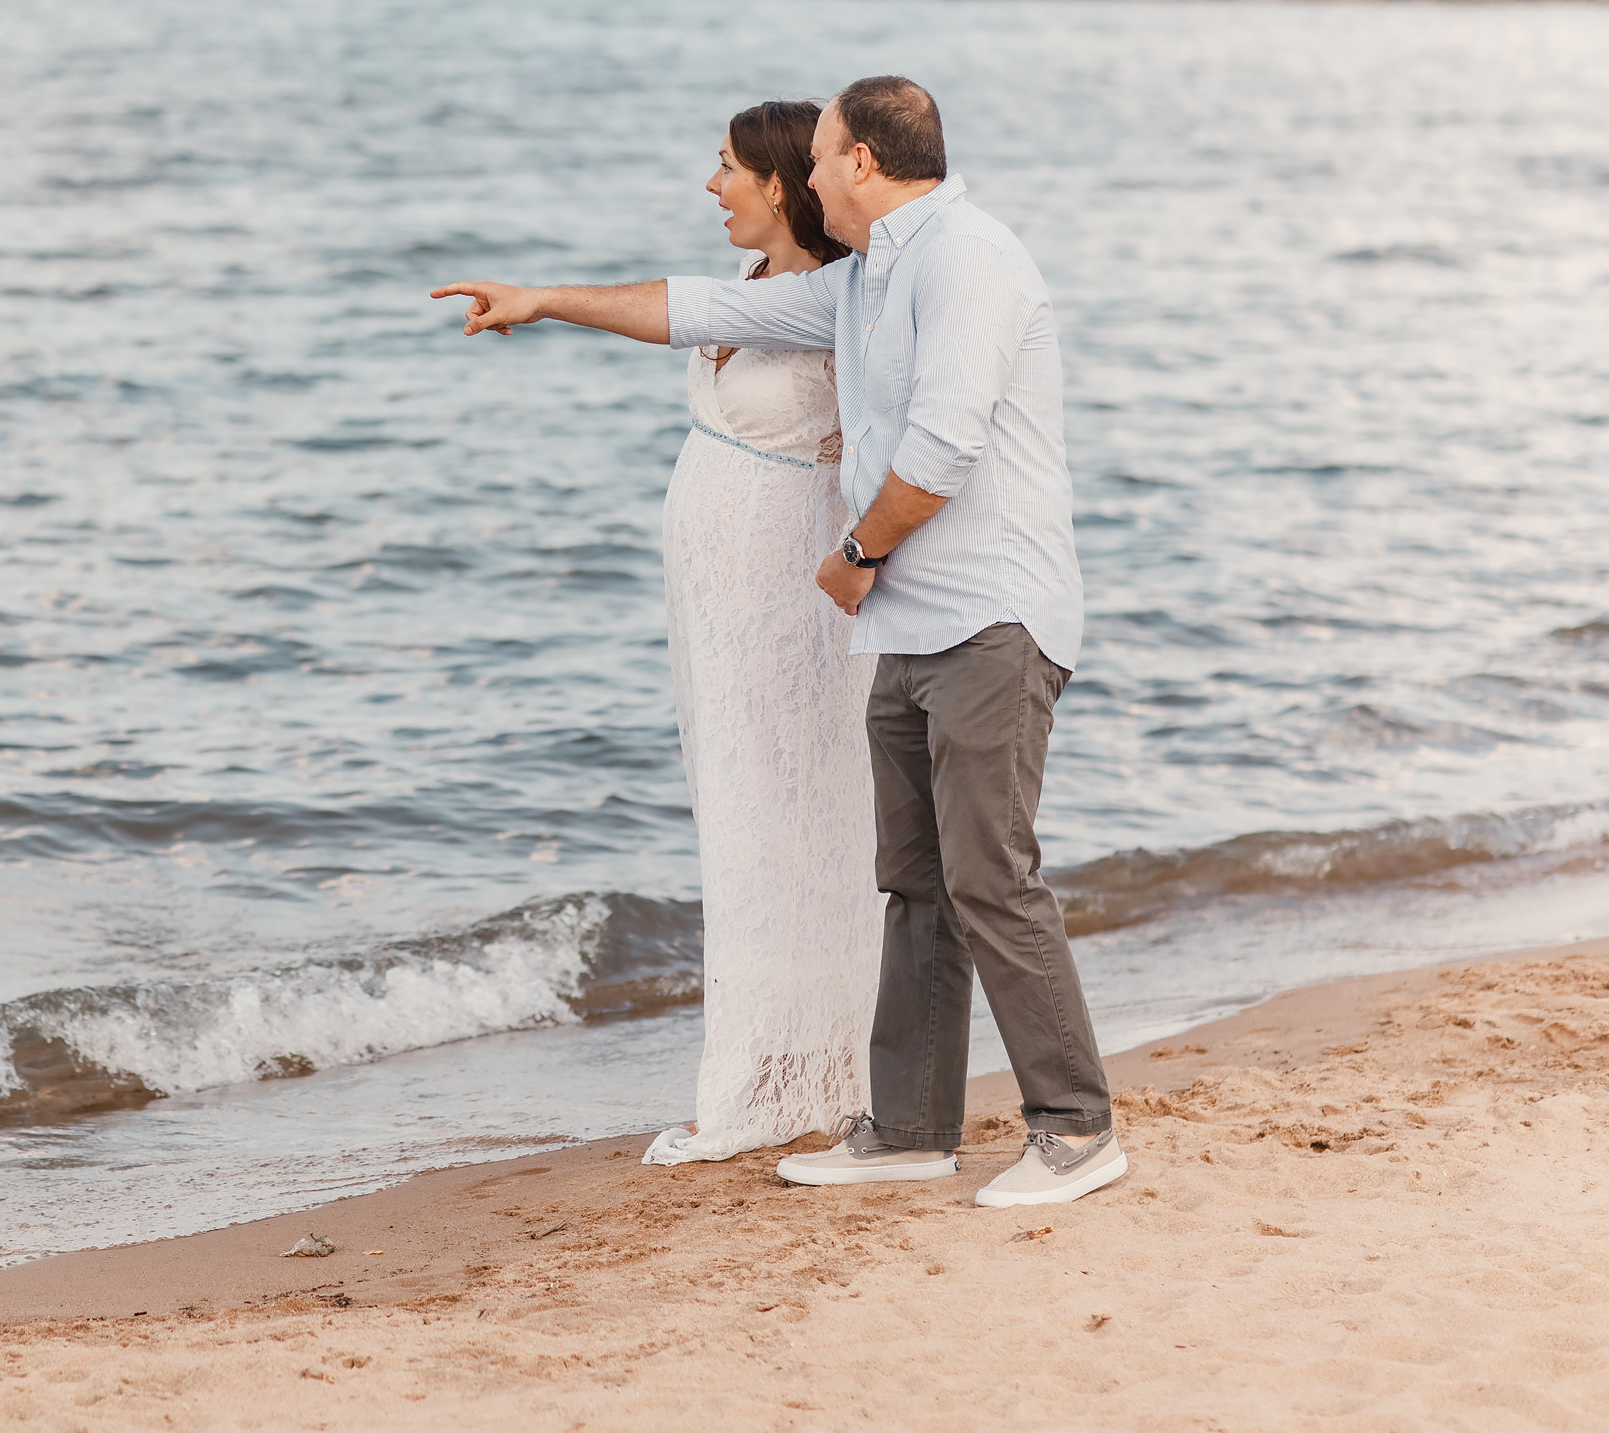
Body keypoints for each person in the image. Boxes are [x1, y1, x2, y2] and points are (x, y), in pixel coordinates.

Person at [431, 76, 1124, 1208]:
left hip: (990, 611)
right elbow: (705, 308)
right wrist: (543, 298)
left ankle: (1077, 1128)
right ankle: (909, 1128)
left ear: (862, 163)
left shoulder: (969, 260)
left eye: (819, 156)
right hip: (912, 622)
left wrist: (852, 554)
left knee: (990, 876)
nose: (806, 175)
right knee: (916, 883)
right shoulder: (864, 279)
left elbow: (946, 446)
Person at [637, 100, 880, 1168]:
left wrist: (863, 557)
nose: (712, 184)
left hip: (791, 600)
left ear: (780, 184)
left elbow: (884, 439)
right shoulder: (751, 281)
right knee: (740, 815)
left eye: (727, 166)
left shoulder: (838, 302)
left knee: (789, 818)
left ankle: (780, 1081)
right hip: (718, 606)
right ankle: (790, 1063)